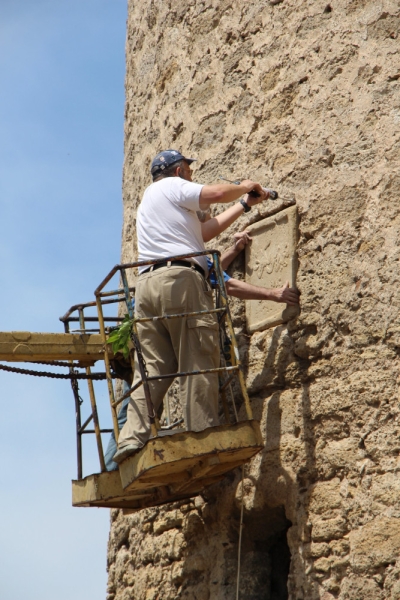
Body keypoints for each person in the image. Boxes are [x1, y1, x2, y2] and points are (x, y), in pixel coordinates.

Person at [112, 149, 272, 464]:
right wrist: (245, 185)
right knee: (199, 356)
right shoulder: (172, 186)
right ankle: (202, 435)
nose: (190, 173)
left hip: (147, 286)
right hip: (180, 281)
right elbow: (215, 193)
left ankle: (130, 440)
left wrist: (242, 205)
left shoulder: (152, 201)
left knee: (155, 369)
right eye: (187, 168)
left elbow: (204, 233)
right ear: (179, 170)